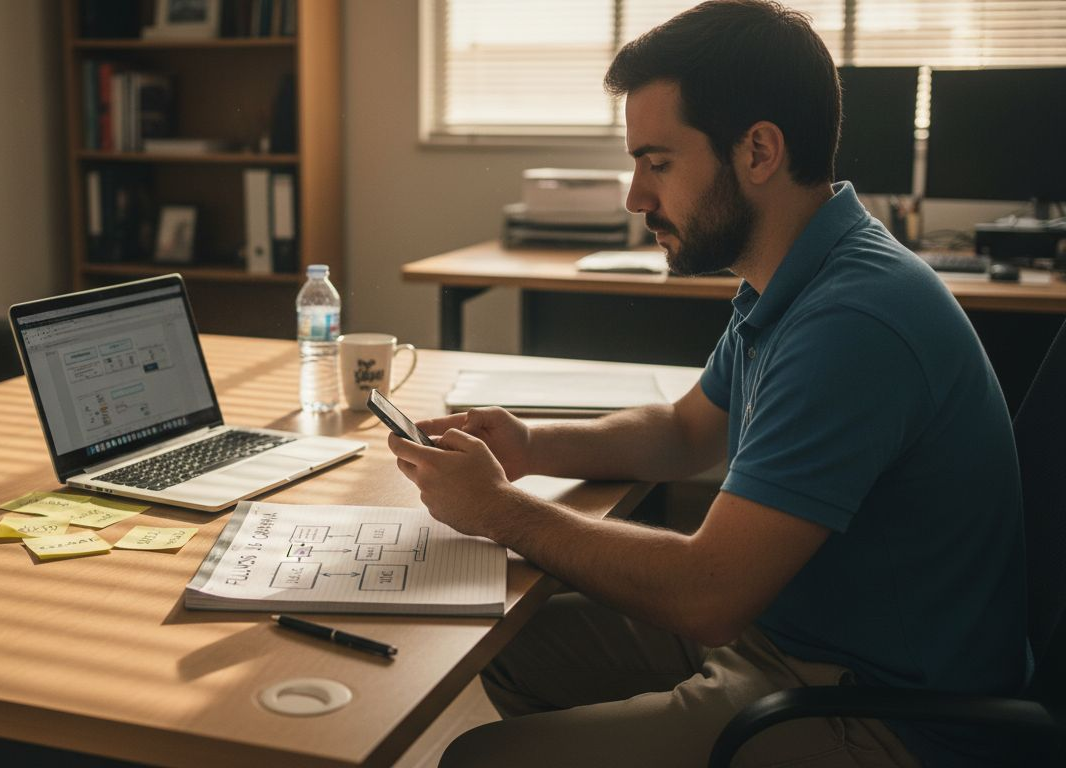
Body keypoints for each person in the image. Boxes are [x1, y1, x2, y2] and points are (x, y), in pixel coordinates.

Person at [387, 2, 1027, 766]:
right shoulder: (798, 274)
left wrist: (499, 510)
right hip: (790, 637)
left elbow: (707, 594)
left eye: (657, 163)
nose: (635, 197)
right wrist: (530, 444)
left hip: (880, 715)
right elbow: (688, 429)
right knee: (514, 640)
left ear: (758, 150)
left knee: (478, 759)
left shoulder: (855, 321)